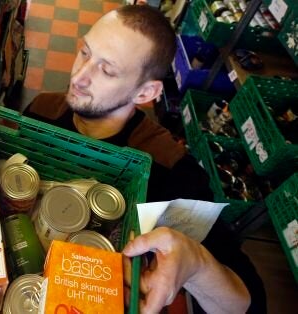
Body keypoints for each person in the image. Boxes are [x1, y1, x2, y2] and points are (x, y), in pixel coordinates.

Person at [22, 5, 265, 313]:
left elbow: (249, 303)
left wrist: (197, 264)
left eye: (107, 71)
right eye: (85, 52)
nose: (80, 77)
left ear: (146, 92)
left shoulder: (170, 170)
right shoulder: (43, 110)